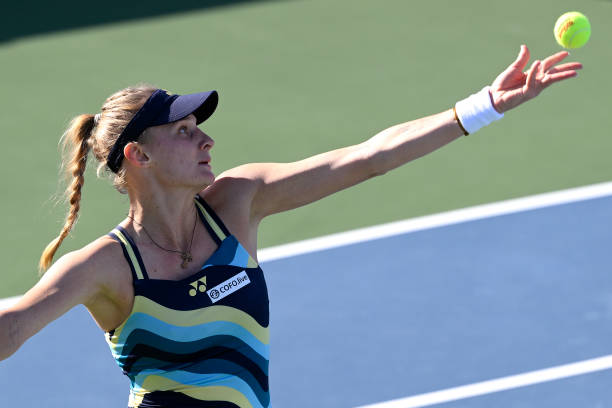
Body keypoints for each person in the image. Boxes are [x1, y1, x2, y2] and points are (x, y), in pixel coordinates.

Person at [0, 45, 581, 408]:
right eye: (183, 131)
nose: (206, 139)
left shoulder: (238, 202)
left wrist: (483, 106)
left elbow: (366, 159)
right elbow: (12, 328)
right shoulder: (106, 266)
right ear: (139, 155)